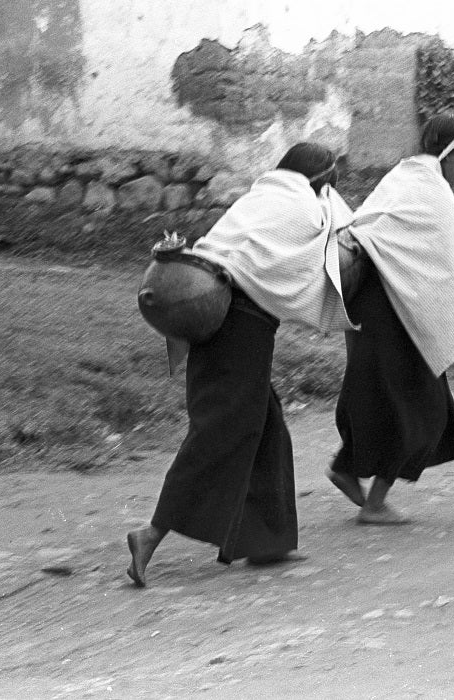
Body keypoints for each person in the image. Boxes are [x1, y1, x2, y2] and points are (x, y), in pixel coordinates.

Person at [127, 143, 355, 587]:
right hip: (241, 325)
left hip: (209, 313)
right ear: (320, 181)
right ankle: (151, 533)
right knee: (222, 429)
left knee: (263, 422)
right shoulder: (309, 209)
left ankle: (266, 540)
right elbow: (342, 241)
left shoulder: (259, 199)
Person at [327, 112, 454, 524]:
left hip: (372, 302)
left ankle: (347, 468)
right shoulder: (433, 191)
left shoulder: (403, 176)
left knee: (381, 394)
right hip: (394, 308)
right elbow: (443, 264)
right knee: (422, 407)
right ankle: (374, 503)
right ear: (449, 156)